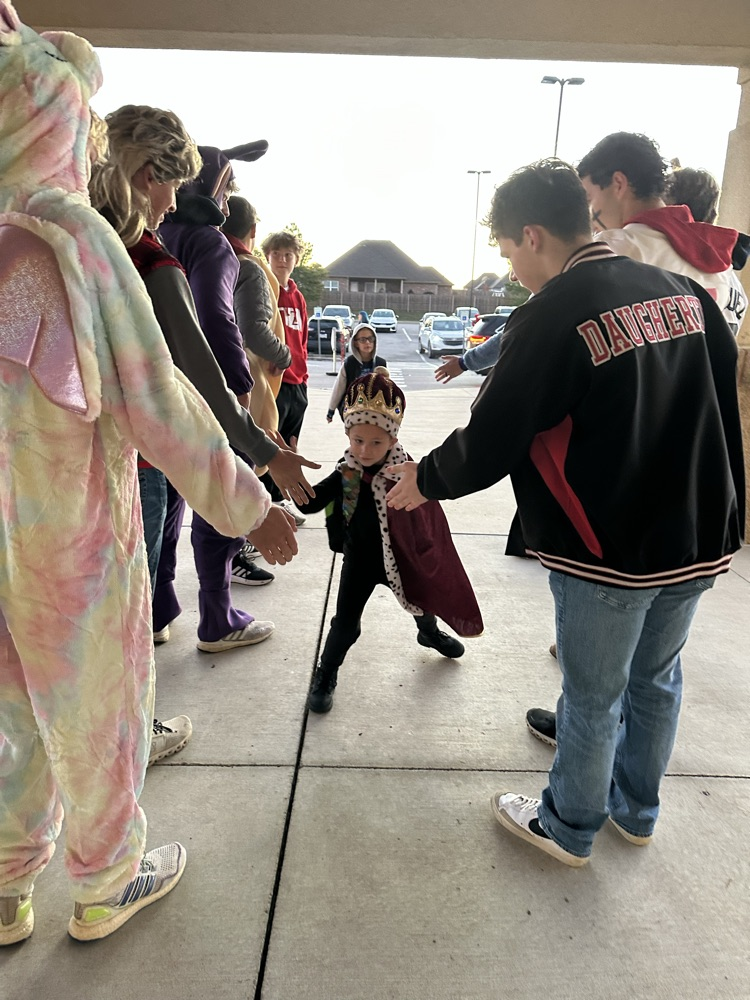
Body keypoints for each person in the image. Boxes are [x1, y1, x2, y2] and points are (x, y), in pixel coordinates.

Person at [0, 6, 297, 945]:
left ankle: (5, 885)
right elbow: (156, 399)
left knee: (10, 711)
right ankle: (107, 883)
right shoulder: (74, 239)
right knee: (97, 707)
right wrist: (252, 507)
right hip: (69, 537)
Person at [386, 159, 743, 867]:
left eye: (511, 252)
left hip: (609, 547)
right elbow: (724, 405)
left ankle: (569, 825)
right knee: (657, 680)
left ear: (532, 234)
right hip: (700, 533)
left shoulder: (553, 313)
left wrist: (422, 479)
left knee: (592, 694)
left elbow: (494, 434)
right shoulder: (685, 292)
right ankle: (636, 812)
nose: (515, 268)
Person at [157, 143, 297, 647]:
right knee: (217, 499)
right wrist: (238, 390)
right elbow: (217, 322)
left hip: (154, 398)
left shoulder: (152, 234)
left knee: (166, 505)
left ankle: (157, 609)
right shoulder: (209, 243)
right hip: (204, 396)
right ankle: (217, 617)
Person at [295, 370, 483, 714]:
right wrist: (288, 475)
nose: (365, 450)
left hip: (404, 555)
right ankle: (326, 673)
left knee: (422, 599)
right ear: (348, 436)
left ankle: (428, 632)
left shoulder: (408, 473)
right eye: (357, 440)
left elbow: (429, 522)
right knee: (344, 624)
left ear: (393, 441)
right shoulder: (346, 473)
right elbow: (310, 504)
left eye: (376, 442)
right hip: (360, 561)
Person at [576, 131, 747, 334]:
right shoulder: (727, 272)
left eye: (588, 199)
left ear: (618, 183)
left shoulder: (613, 248)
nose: (588, 214)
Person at [259, 230, 310, 526]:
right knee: (269, 447)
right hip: (273, 381)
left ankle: (280, 500)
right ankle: (266, 505)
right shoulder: (263, 289)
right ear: (267, 257)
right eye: (276, 254)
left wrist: (303, 375)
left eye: (288, 254)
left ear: (296, 259)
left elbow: (301, 338)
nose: (281, 260)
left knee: (289, 446)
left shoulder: (297, 295)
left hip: (297, 381)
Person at [326, 322, 387, 421]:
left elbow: (388, 390)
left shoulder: (381, 364)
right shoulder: (349, 363)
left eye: (370, 339)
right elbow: (339, 387)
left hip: (375, 413)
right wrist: (331, 411)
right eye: (363, 340)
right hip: (352, 412)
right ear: (355, 343)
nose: (367, 343)